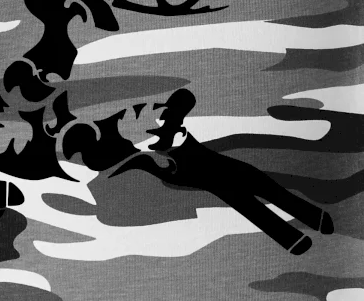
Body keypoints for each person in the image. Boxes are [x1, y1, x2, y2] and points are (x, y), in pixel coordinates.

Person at [107, 88, 334, 255]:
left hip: (210, 165)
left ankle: (310, 223)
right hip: (203, 170)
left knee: (264, 190)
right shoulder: (154, 144)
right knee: (252, 204)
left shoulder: (167, 125)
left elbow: (184, 99)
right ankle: (298, 237)